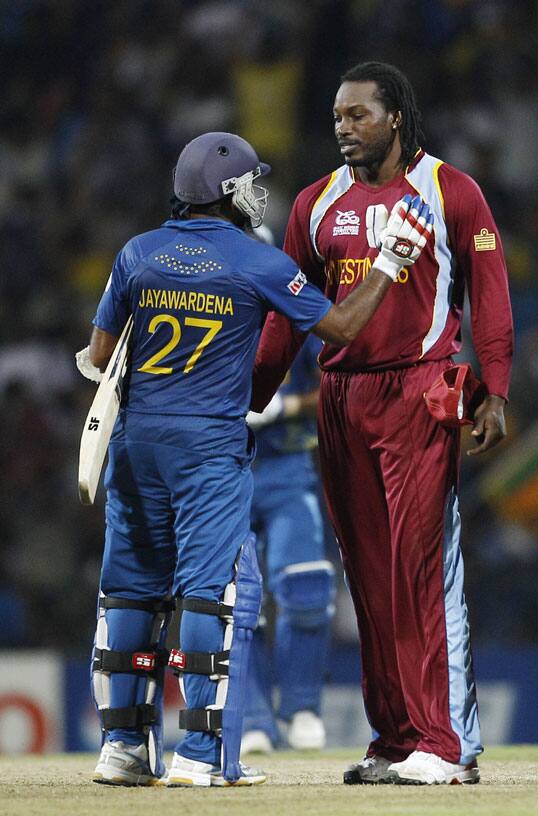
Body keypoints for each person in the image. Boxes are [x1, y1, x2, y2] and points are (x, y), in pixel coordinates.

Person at [80, 129, 434, 787]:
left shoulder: (136, 253)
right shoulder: (258, 261)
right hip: (209, 452)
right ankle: (200, 756)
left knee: (128, 592)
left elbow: (100, 358)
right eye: (252, 181)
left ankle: (123, 750)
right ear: (233, 190)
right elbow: (343, 329)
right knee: (207, 593)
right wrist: (388, 261)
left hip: (136, 446)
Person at [250, 62, 513, 786]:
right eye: (337, 115)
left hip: (420, 391)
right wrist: (250, 399)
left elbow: (489, 293)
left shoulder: (450, 191)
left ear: (395, 116)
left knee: (419, 571)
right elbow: (283, 322)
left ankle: (446, 744)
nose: (343, 126)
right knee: (366, 578)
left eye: (358, 114)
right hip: (340, 399)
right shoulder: (314, 203)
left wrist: (497, 387)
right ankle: (396, 737)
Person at [242, 333, 333, 754]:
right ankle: (250, 718)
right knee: (236, 599)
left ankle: (301, 709)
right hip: (223, 464)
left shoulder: (295, 308)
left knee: (305, 585)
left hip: (287, 465)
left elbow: (333, 383)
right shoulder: (210, 302)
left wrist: (286, 405)